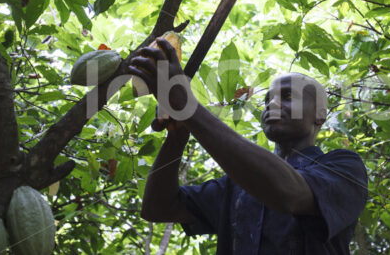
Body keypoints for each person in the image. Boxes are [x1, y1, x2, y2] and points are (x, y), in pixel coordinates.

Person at [128, 38, 368, 254]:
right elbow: (157, 208)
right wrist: (177, 136)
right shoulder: (234, 186)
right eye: (267, 100)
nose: (271, 104)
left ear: (319, 115)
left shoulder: (345, 168)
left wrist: (188, 107)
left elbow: (289, 194)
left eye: (287, 96)